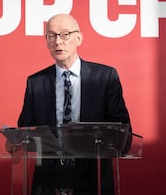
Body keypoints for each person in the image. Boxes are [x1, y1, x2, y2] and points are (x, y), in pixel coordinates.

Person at [17, 13, 131, 195]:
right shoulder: (36, 82)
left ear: (78, 38)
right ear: (46, 41)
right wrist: (16, 141)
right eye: (51, 35)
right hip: (48, 181)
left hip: (94, 180)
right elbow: (25, 128)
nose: (57, 41)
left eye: (64, 34)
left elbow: (123, 131)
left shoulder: (105, 77)